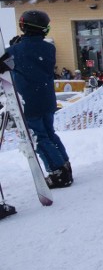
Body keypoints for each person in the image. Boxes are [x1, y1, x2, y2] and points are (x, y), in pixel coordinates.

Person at [0, 11, 73, 188]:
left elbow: (5, 65)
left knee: (38, 137)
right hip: (46, 97)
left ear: (24, 26)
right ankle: (64, 165)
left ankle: (57, 172)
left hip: (28, 100)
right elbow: (33, 57)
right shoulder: (49, 48)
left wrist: (12, 49)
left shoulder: (14, 51)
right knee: (49, 132)